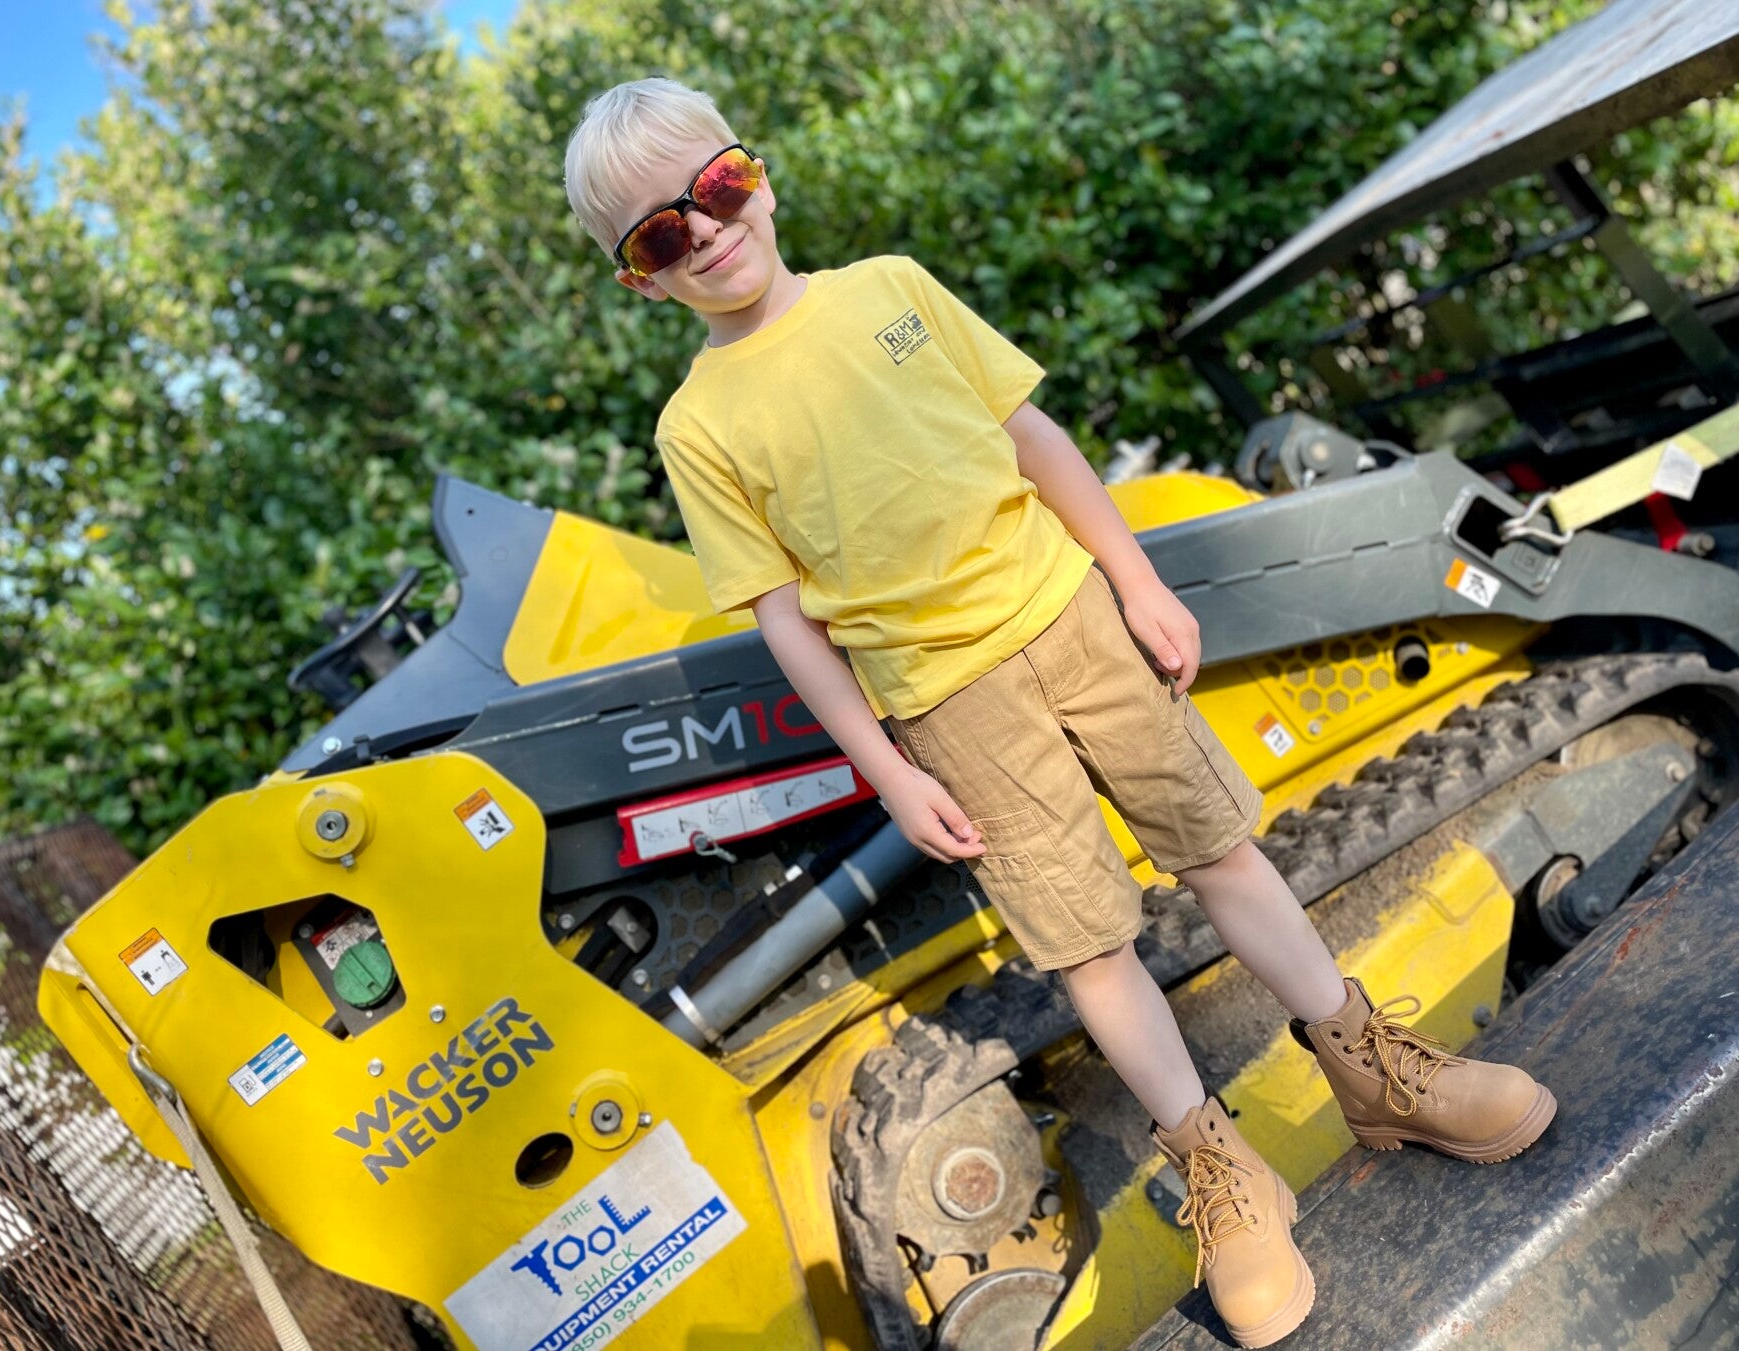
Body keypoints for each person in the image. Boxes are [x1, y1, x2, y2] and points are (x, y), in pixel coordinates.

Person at [563, 77, 1556, 1348]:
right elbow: (785, 620)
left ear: (756, 175)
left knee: (1219, 851)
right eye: (660, 233)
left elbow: (1029, 437)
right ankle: (1221, 1172)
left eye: (714, 188)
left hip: (1073, 617)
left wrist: (1134, 579)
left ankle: (1377, 1074)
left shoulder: (890, 290)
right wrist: (888, 770)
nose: (703, 230)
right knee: (1088, 947)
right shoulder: (697, 425)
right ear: (640, 280)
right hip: (947, 704)